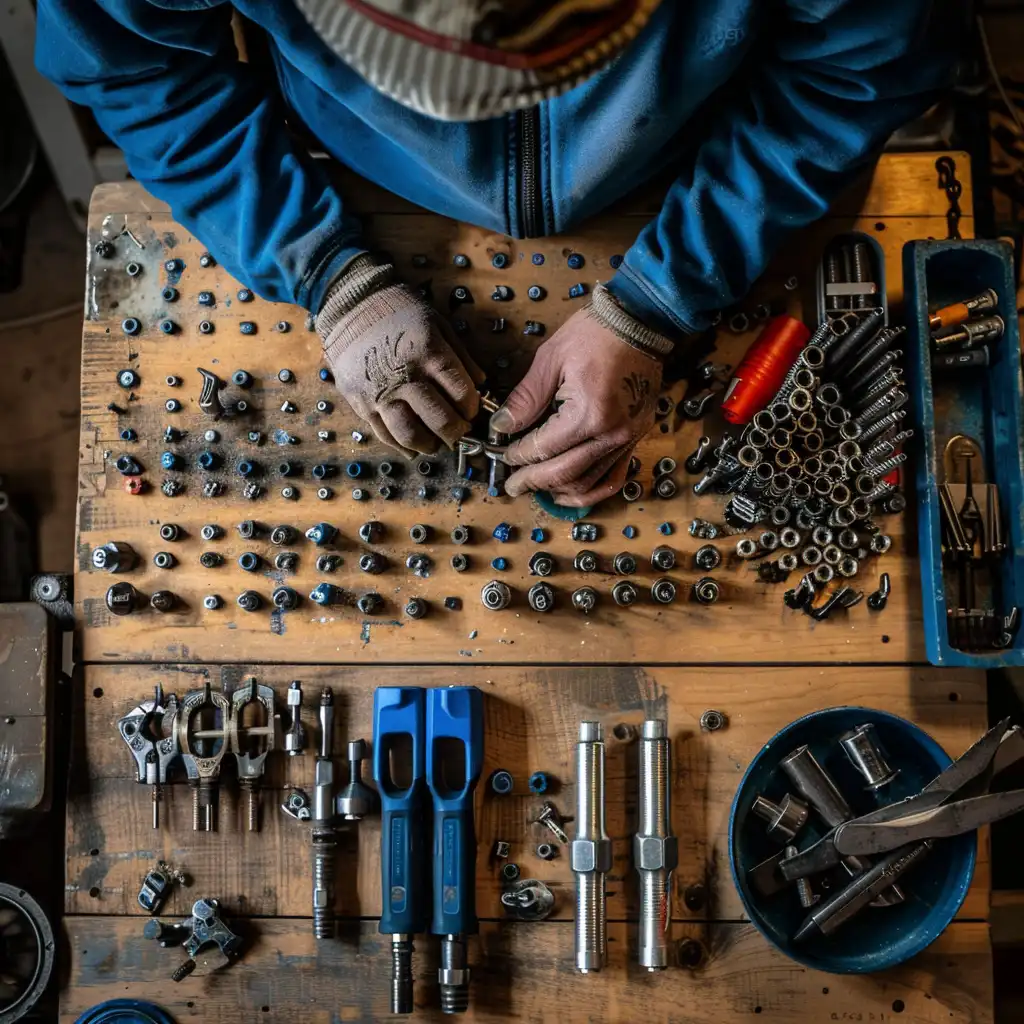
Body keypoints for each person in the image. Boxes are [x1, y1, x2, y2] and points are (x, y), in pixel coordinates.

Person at [37, 0, 948, 506]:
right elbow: (134, 63)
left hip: (697, 151)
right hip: (354, 179)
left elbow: (856, 66)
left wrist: (667, 291)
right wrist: (320, 265)